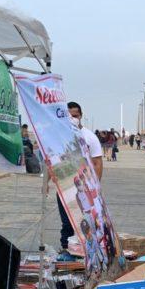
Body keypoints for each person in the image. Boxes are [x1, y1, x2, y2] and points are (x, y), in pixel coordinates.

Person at [61, 101, 104, 251]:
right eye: (69, 116)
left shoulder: (90, 137)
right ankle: (66, 250)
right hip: (67, 187)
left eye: (75, 115)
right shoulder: (61, 136)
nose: (73, 118)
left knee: (89, 221)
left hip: (87, 186)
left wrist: (96, 185)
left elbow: (97, 163)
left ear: (80, 116)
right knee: (67, 222)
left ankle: (90, 250)